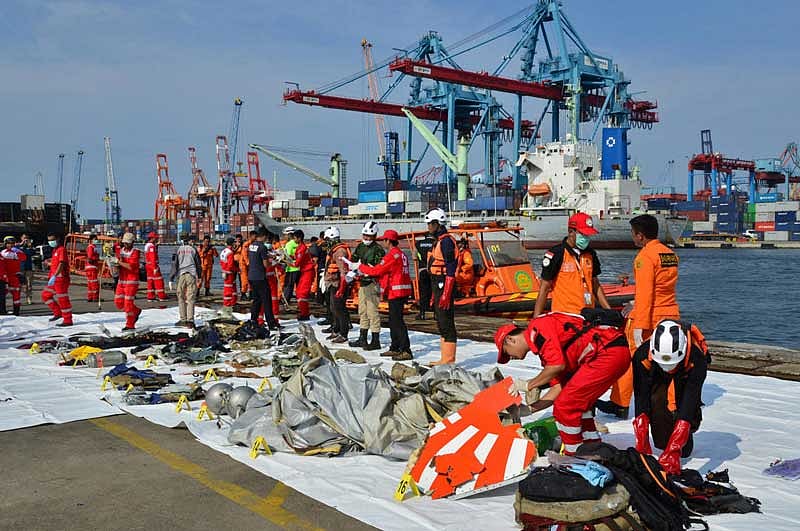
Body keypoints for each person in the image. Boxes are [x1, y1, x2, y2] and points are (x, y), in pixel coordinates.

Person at [494, 312, 630, 455]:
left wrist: (528, 385)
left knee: (565, 406)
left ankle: (574, 456)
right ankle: (592, 446)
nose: (510, 358)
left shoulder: (538, 327)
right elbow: (557, 389)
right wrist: (528, 410)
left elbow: (556, 366)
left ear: (510, 339)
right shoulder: (546, 351)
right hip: (611, 352)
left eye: (506, 353)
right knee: (579, 406)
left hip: (607, 353)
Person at [599, 214, 681, 419]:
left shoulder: (645, 257)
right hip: (670, 314)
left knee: (629, 359)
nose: (632, 237)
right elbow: (662, 289)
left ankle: (620, 403)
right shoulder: (669, 254)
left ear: (640, 235)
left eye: (633, 234)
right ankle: (672, 405)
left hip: (649, 317)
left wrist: (638, 325)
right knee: (670, 362)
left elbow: (645, 294)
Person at [632, 320, 708, 475]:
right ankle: (664, 433)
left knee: (684, 450)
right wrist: (642, 441)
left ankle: (684, 437)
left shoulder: (697, 359)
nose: (668, 369)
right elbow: (641, 396)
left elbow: (690, 399)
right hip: (655, 371)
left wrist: (674, 449)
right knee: (660, 441)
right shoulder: (641, 355)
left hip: (685, 373)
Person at [533, 212, 611, 318]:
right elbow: (545, 287)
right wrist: (536, 317)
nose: (586, 238)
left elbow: (595, 285)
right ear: (571, 232)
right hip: (564, 316)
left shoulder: (591, 254)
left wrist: (610, 312)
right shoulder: (557, 254)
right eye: (583, 234)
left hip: (587, 315)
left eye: (588, 235)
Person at [353, 229, 413, 360]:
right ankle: (395, 347)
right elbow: (388, 273)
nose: (383, 243)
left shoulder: (392, 255)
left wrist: (361, 267)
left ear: (388, 241)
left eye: (384, 240)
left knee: (397, 322)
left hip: (396, 292)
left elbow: (378, 270)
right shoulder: (401, 254)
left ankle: (405, 350)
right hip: (400, 291)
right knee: (393, 321)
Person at [425, 208, 459, 365]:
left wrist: (446, 292)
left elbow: (451, 269)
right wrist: (434, 294)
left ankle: (449, 359)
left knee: (446, 321)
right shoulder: (438, 241)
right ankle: (444, 357)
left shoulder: (446, 242)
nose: (428, 228)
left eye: (429, 224)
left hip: (444, 283)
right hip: (437, 284)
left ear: (436, 224)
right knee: (440, 320)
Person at [347, 221, 385, 350]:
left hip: (372, 283)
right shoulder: (360, 247)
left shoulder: (378, 250)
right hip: (362, 284)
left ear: (374, 236)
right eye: (364, 236)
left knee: (372, 312)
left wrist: (366, 271)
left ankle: (375, 340)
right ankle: (362, 338)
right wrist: (352, 271)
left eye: (369, 237)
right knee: (362, 311)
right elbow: (354, 259)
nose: (366, 238)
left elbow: (379, 268)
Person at [322, 226, 350, 343]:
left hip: (338, 284)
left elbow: (343, 272)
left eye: (327, 240)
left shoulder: (339, 252)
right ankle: (336, 329)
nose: (326, 243)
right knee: (333, 308)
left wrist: (341, 288)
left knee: (339, 309)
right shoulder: (333, 250)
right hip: (332, 283)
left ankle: (343, 333)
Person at [248, 227, 278, 329]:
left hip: (251, 276)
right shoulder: (262, 247)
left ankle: (253, 320)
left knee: (256, 300)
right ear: (264, 236)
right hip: (260, 277)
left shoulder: (251, 246)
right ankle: (271, 323)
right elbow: (266, 264)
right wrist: (274, 261)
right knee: (266, 300)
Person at [170, 233, 202, 328]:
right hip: (191, 274)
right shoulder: (193, 249)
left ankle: (183, 319)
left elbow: (174, 264)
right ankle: (190, 320)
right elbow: (198, 264)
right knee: (191, 298)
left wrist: (171, 278)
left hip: (181, 275)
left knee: (181, 297)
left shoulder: (177, 250)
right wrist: (199, 276)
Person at [41, 233, 73, 326]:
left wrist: (55, 275)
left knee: (63, 299)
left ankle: (68, 320)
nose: (51, 242)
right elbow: (56, 262)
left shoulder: (61, 249)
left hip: (61, 279)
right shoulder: (55, 250)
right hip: (54, 279)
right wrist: (49, 262)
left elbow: (61, 263)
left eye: (52, 240)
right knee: (45, 295)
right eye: (49, 240)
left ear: (58, 239)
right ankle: (58, 313)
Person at [115, 232, 142, 330]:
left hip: (131, 280)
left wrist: (118, 262)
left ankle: (130, 324)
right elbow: (119, 265)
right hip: (122, 280)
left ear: (132, 242)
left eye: (127, 243)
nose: (125, 244)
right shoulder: (121, 251)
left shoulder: (135, 252)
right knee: (118, 302)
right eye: (124, 242)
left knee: (128, 304)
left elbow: (131, 267)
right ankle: (136, 310)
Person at [291, 230, 315, 321]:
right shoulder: (300, 248)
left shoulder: (302, 248)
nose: (294, 240)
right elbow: (297, 258)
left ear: (299, 238)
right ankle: (303, 311)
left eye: (294, 238)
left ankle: (305, 314)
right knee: (298, 292)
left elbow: (296, 264)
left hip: (307, 272)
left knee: (302, 293)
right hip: (304, 272)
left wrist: (284, 261)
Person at [415, 232, 436, 320]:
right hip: (434, 270)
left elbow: (415, 256)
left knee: (423, 293)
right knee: (435, 292)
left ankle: (422, 313)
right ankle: (436, 314)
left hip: (422, 270)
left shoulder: (418, 244)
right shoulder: (436, 243)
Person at [1, 236, 24, 315]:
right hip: (5, 278)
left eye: (12, 243)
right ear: (5, 244)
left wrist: (17, 251)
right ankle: (3, 311)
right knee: (2, 295)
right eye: (8, 243)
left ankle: (16, 312)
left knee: (16, 296)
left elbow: (24, 258)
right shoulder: (2, 253)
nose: (10, 245)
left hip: (15, 277)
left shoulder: (17, 252)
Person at [144, 231, 167, 302]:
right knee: (158, 281)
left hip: (148, 265)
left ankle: (150, 297)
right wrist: (154, 267)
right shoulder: (151, 246)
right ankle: (161, 296)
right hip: (153, 265)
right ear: (152, 238)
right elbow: (153, 257)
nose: (156, 239)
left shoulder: (147, 245)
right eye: (155, 238)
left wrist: (156, 246)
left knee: (150, 281)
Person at [219, 237, 238, 318]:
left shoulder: (224, 251)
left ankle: (232, 302)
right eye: (234, 243)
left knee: (231, 288)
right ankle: (228, 305)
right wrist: (237, 269)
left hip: (224, 272)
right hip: (229, 273)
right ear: (232, 243)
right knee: (229, 290)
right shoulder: (230, 253)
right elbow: (230, 265)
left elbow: (221, 262)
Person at [282, 226, 299, 302]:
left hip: (291, 269)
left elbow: (287, 256)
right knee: (298, 286)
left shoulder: (289, 244)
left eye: (285, 235)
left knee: (288, 286)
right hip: (298, 268)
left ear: (289, 235)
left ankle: (286, 301)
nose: (284, 236)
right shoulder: (298, 243)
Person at [19, 233, 34, 305]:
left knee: (29, 284)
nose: (25, 239)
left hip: (29, 268)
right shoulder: (18, 246)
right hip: (20, 268)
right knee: (20, 285)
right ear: (21, 238)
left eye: (27, 238)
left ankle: (29, 299)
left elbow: (32, 253)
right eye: (24, 238)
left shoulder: (30, 246)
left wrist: (30, 245)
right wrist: (21, 244)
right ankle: (18, 300)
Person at [237, 233, 252, 300]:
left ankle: (250, 293)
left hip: (248, 265)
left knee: (250, 280)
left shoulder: (250, 244)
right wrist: (248, 263)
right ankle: (243, 294)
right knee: (244, 280)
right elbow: (245, 255)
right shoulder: (246, 245)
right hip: (243, 265)